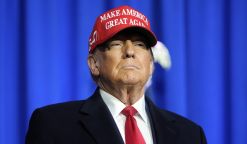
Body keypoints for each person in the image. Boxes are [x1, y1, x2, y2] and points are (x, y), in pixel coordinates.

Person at [26, 5, 207, 144]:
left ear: (151, 65)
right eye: (117, 44)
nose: (130, 51)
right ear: (94, 64)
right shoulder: (53, 125)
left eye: (140, 45)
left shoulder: (190, 135)